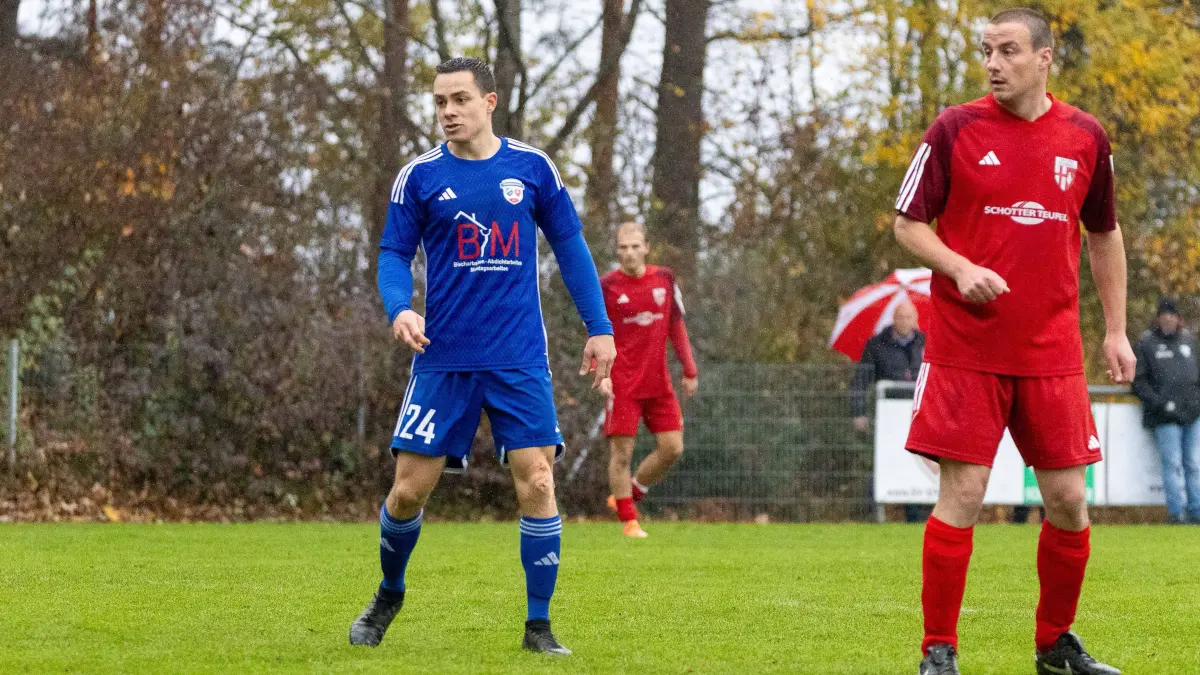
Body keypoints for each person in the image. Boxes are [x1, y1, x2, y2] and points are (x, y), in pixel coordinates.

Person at [892, 9, 1132, 675]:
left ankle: (1054, 644)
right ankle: (938, 649)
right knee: (963, 493)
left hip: (1052, 350)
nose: (995, 63)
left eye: (1009, 50)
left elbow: (1105, 235)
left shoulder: (1086, 137)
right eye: (987, 50)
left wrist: (1114, 329)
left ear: (1045, 58)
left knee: (1069, 500)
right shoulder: (955, 129)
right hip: (967, 348)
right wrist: (960, 266)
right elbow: (907, 223)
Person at [349, 57, 616, 656]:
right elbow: (393, 254)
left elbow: (572, 251)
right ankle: (390, 592)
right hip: (442, 360)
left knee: (539, 481)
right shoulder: (417, 178)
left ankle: (538, 626)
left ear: (489, 102)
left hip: (520, 357)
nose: (448, 111)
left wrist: (599, 328)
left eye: (461, 99)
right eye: (440, 101)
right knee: (409, 492)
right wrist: (400, 308)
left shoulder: (533, 169)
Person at [597, 222, 699, 538]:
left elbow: (676, 325)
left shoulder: (665, 279)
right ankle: (629, 521)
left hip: (658, 382)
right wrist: (602, 375)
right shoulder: (606, 286)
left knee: (672, 448)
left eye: (634, 246)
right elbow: (596, 333)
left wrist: (690, 369)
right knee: (622, 454)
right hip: (623, 382)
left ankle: (630, 494)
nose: (629, 252)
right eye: (623, 247)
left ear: (646, 247)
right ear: (617, 251)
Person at [850, 301, 929, 522]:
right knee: (885, 462)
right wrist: (859, 412)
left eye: (909, 317)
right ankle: (872, 512)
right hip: (888, 420)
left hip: (920, 414)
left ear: (916, 319)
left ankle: (916, 515)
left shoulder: (926, 343)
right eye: (901, 317)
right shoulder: (876, 345)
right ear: (894, 319)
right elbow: (860, 381)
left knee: (919, 463)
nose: (905, 322)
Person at [1132, 297, 1200, 524]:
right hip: (1164, 417)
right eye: (1164, 315)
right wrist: (1159, 403)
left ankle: (1196, 511)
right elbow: (1138, 382)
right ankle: (1176, 513)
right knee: (1173, 464)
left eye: (1172, 314)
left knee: (1193, 463)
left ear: (1178, 318)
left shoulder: (1189, 342)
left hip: (1192, 414)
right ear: (1158, 318)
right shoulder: (1147, 344)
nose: (1168, 318)